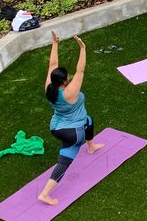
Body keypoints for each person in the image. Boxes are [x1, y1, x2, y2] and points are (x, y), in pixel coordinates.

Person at [38, 32, 104, 206]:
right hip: (73, 133)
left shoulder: (49, 88)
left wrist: (54, 43)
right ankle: (45, 194)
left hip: (56, 127)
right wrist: (82, 48)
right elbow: (80, 70)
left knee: (88, 120)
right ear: (65, 80)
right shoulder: (70, 92)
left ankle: (91, 146)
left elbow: (53, 64)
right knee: (65, 161)